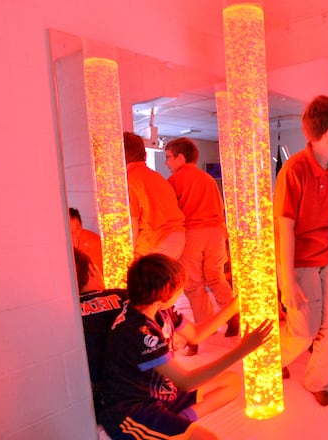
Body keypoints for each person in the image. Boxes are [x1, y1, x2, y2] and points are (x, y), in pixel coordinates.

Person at [98, 253, 273, 440]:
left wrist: (233, 306)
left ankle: (178, 421)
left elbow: (195, 335)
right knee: (208, 438)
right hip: (133, 410)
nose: (182, 292)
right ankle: (171, 427)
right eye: (179, 290)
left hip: (163, 394)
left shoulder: (156, 308)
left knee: (232, 382)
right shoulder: (139, 335)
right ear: (160, 298)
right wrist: (242, 350)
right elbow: (187, 382)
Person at [274, 95, 328, 406]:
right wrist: (287, 281)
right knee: (303, 331)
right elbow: (285, 230)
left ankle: (318, 380)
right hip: (299, 261)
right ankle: (269, 360)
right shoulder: (294, 170)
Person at [165, 137, 239, 351]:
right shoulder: (207, 179)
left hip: (192, 233)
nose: (167, 163)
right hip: (216, 232)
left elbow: (172, 212)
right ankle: (232, 316)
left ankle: (205, 328)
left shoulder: (175, 180)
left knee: (194, 284)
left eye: (168, 157)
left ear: (181, 157)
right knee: (216, 277)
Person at [73, 247, 125, 413]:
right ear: (92, 268)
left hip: (84, 402)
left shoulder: (60, 314)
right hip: (130, 391)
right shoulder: (126, 296)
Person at [123, 131, 186, 260]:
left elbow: (132, 224)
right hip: (178, 238)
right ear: (145, 155)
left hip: (156, 243)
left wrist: (127, 255)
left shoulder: (130, 181)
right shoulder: (157, 177)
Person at [69, 207, 103, 275]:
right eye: (70, 230)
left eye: (77, 228)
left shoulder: (95, 242)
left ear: (81, 226)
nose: (74, 234)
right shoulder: (59, 246)